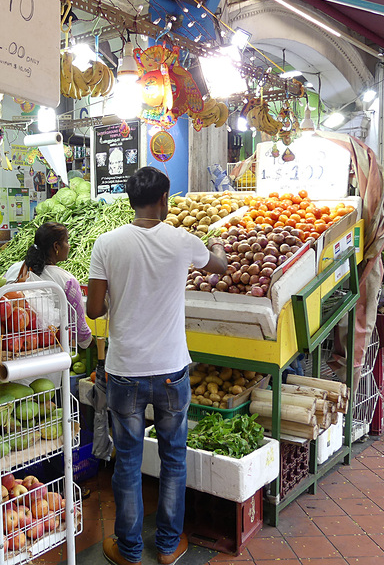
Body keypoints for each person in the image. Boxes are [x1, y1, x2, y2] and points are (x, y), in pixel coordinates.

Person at [86, 167, 227, 565]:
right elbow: (218, 267)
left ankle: (128, 550)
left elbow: (94, 309)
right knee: (173, 459)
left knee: (127, 462)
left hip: (125, 371)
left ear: (131, 200)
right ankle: (167, 547)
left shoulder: (107, 244)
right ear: (164, 199)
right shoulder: (181, 240)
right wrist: (218, 247)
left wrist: (120, 301)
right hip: (170, 370)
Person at [4, 222, 93, 350]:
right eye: (67, 241)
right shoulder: (67, 281)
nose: (69, 246)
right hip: (48, 354)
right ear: (56, 246)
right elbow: (79, 330)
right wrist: (92, 345)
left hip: (11, 348)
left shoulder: (13, 269)